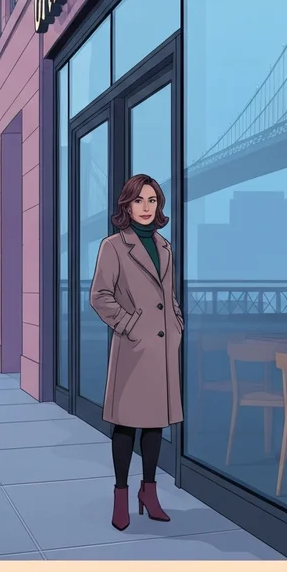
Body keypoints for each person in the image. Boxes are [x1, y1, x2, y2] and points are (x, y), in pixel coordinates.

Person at [89, 174, 184, 532]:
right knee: (127, 423)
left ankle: (149, 492)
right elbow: (100, 295)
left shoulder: (165, 246)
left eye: (153, 201)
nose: (146, 208)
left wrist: (176, 323)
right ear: (126, 205)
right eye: (139, 201)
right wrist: (128, 325)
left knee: (156, 423)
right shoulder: (113, 246)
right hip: (133, 347)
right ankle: (121, 495)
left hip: (161, 347)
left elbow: (168, 295)